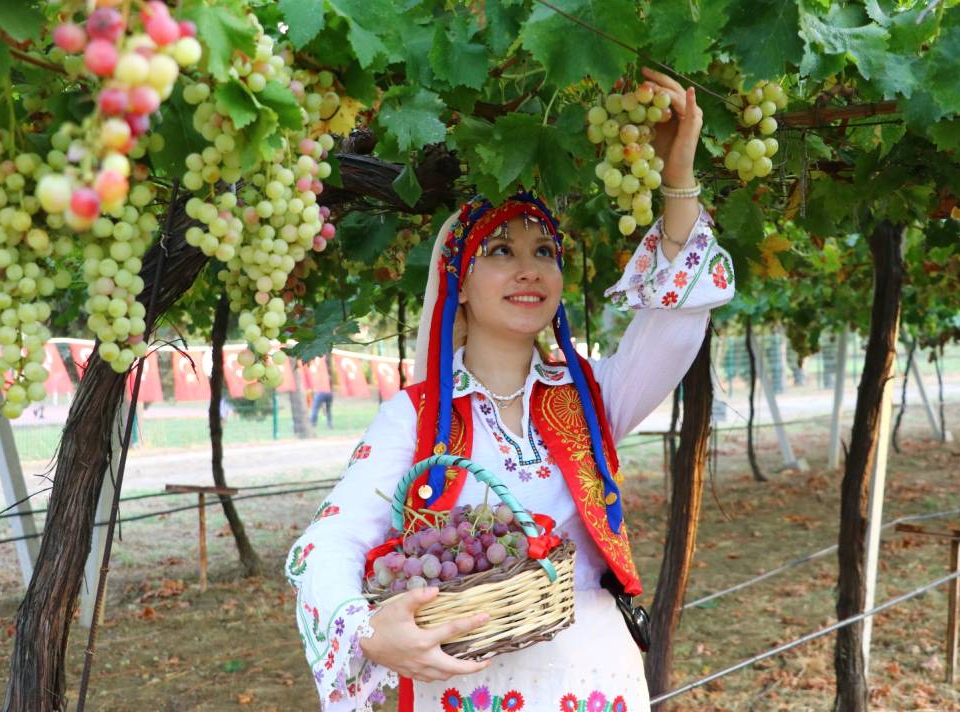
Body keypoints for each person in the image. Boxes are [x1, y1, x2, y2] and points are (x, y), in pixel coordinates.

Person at [285, 68, 735, 710]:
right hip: (471, 686)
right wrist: (369, 633)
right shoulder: (413, 420)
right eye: (499, 249)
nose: (529, 268)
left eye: (545, 250)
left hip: (597, 676)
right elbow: (326, 543)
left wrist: (678, 176)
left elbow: (676, 320)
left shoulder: (593, 397)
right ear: (458, 283)